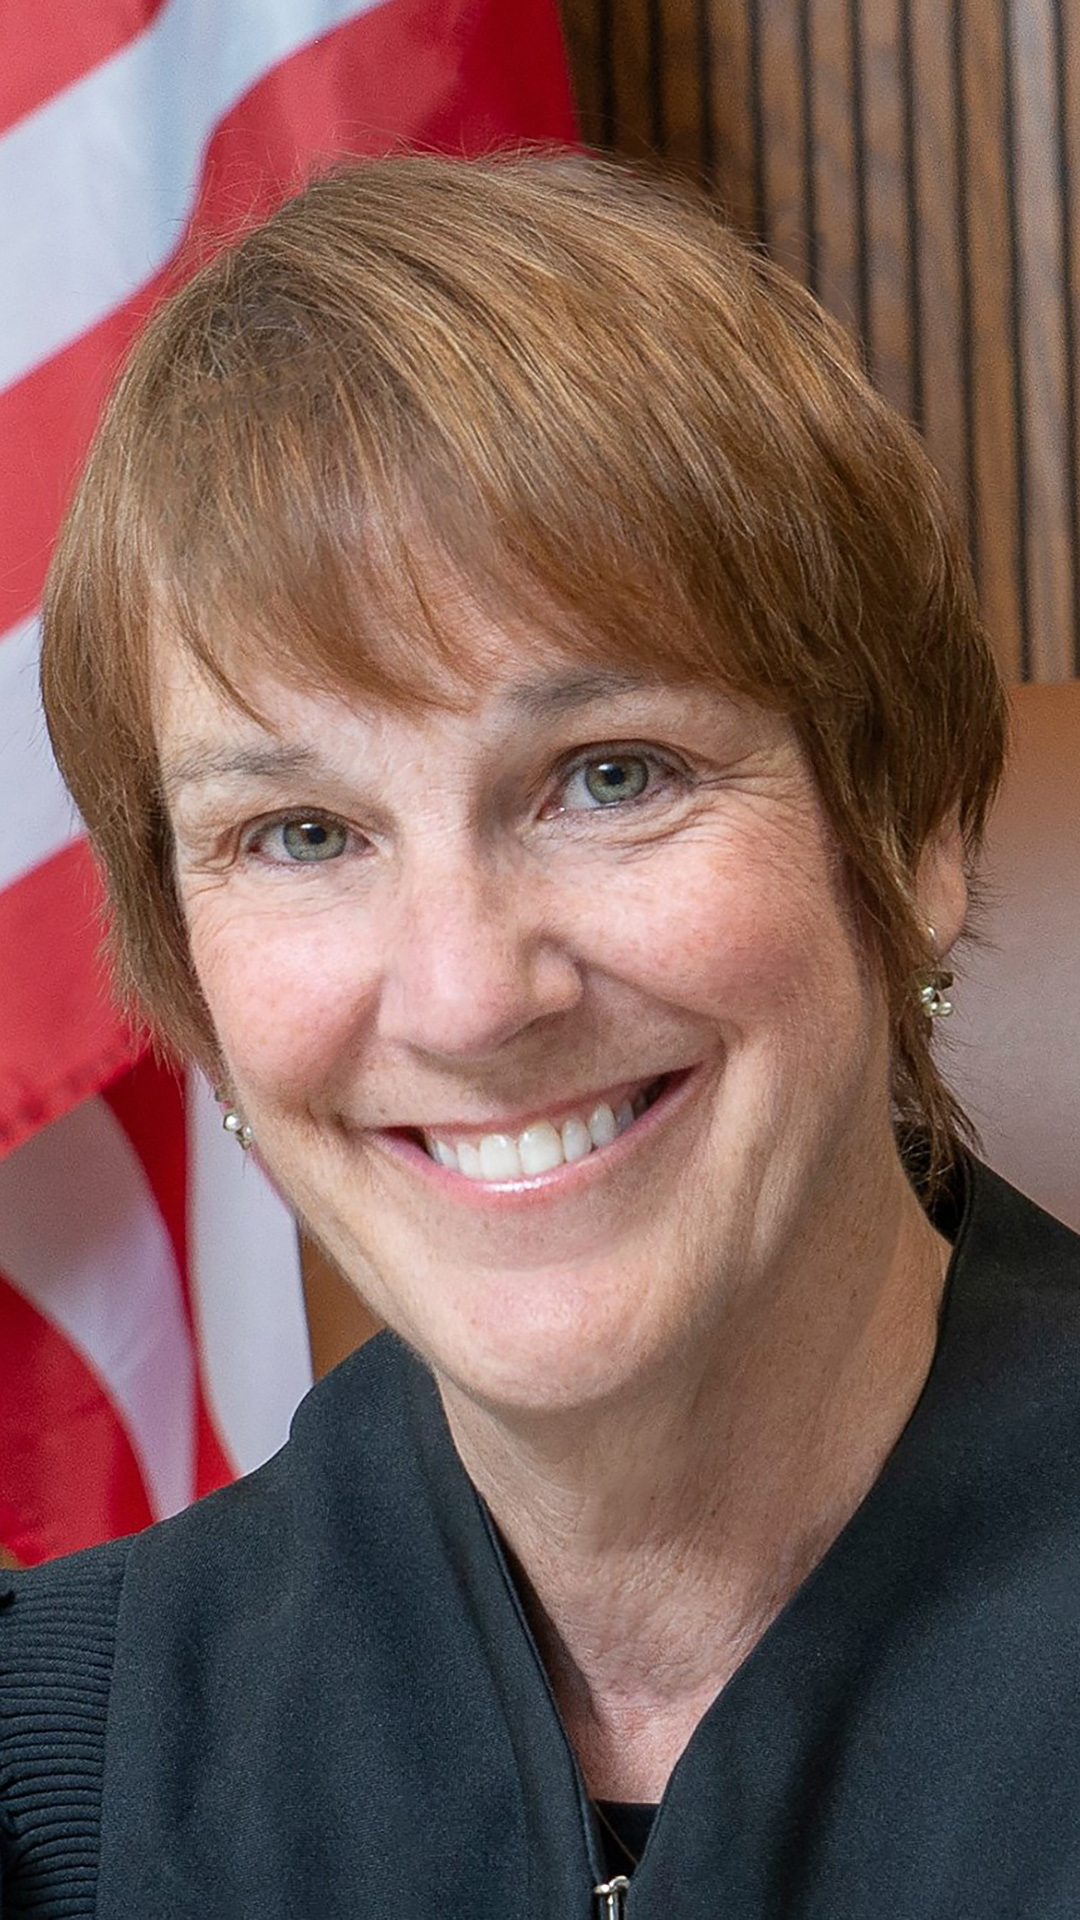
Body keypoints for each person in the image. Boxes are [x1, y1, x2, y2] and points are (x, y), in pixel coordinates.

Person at [3, 149, 1075, 1920]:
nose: (467, 994)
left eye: (608, 777)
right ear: (191, 982)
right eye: (302, 834)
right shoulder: (66, 1787)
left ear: (910, 831)